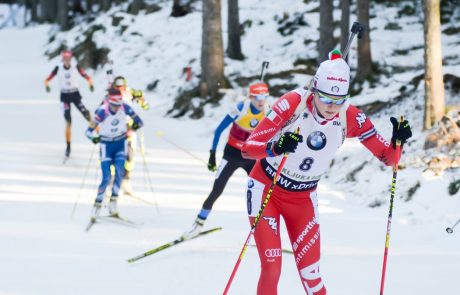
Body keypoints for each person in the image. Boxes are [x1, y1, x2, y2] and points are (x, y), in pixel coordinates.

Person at [241, 50, 412, 295]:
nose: (333, 106)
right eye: (326, 99)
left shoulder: (351, 116)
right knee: (272, 268)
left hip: (302, 199)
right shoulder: (292, 103)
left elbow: (389, 158)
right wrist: (275, 147)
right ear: (314, 91)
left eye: (340, 99)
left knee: (312, 275)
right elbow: (248, 149)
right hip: (266, 190)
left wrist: (398, 141)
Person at [182, 82, 270, 239]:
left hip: (251, 157)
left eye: (264, 97)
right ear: (251, 97)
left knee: (263, 193)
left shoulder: (268, 111)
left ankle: (263, 232)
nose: (261, 101)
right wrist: (212, 155)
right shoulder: (240, 108)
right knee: (217, 190)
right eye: (257, 97)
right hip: (232, 155)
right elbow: (219, 130)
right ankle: (198, 224)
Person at [85, 89, 143, 221]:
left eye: (118, 105)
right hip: (106, 145)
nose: (116, 108)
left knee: (119, 174)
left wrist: (134, 127)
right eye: (113, 105)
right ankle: (97, 205)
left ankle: (113, 204)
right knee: (106, 177)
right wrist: (94, 138)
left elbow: (139, 121)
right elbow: (88, 131)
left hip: (120, 144)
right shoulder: (103, 111)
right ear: (109, 102)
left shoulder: (125, 107)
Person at [44, 50, 95, 157]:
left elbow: (86, 75)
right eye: (65, 58)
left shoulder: (75, 66)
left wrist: (90, 83)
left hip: (75, 94)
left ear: (71, 58)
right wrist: (47, 85)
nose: (67, 60)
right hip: (65, 96)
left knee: (87, 115)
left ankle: (101, 136)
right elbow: (48, 79)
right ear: (62, 58)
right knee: (68, 121)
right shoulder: (59, 67)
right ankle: (68, 146)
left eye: (69, 58)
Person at [110, 76, 150, 194]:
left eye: (122, 87)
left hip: (129, 126)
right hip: (115, 127)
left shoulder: (130, 92)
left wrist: (142, 99)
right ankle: (112, 180)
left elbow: (146, 106)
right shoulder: (110, 95)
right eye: (117, 87)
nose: (120, 89)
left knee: (130, 155)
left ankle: (126, 180)